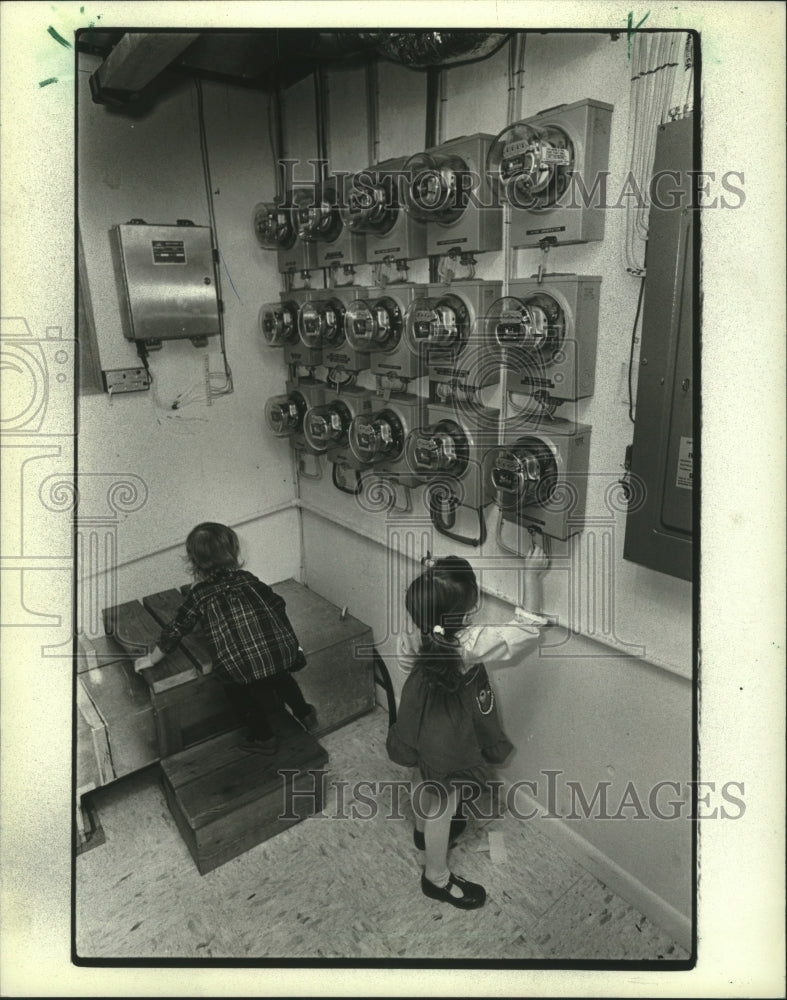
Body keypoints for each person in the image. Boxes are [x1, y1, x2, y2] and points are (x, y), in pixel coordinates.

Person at [387, 544, 549, 909]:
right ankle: (437, 878)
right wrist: (531, 574)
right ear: (473, 607)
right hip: (448, 730)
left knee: (422, 775)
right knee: (444, 801)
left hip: (418, 715)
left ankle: (420, 831)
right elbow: (528, 627)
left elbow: (402, 664)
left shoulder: (417, 626)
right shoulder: (471, 643)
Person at [134, 522, 316, 754]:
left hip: (238, 666)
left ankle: (264, 738)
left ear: (193, 561)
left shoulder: (199, 595)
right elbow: (278, 603)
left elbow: (176, 628)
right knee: (282, 679)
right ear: (233, 552)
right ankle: (305, 713)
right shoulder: (247, 579)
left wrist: (152, 659)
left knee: (239, 693)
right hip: (279, 653)